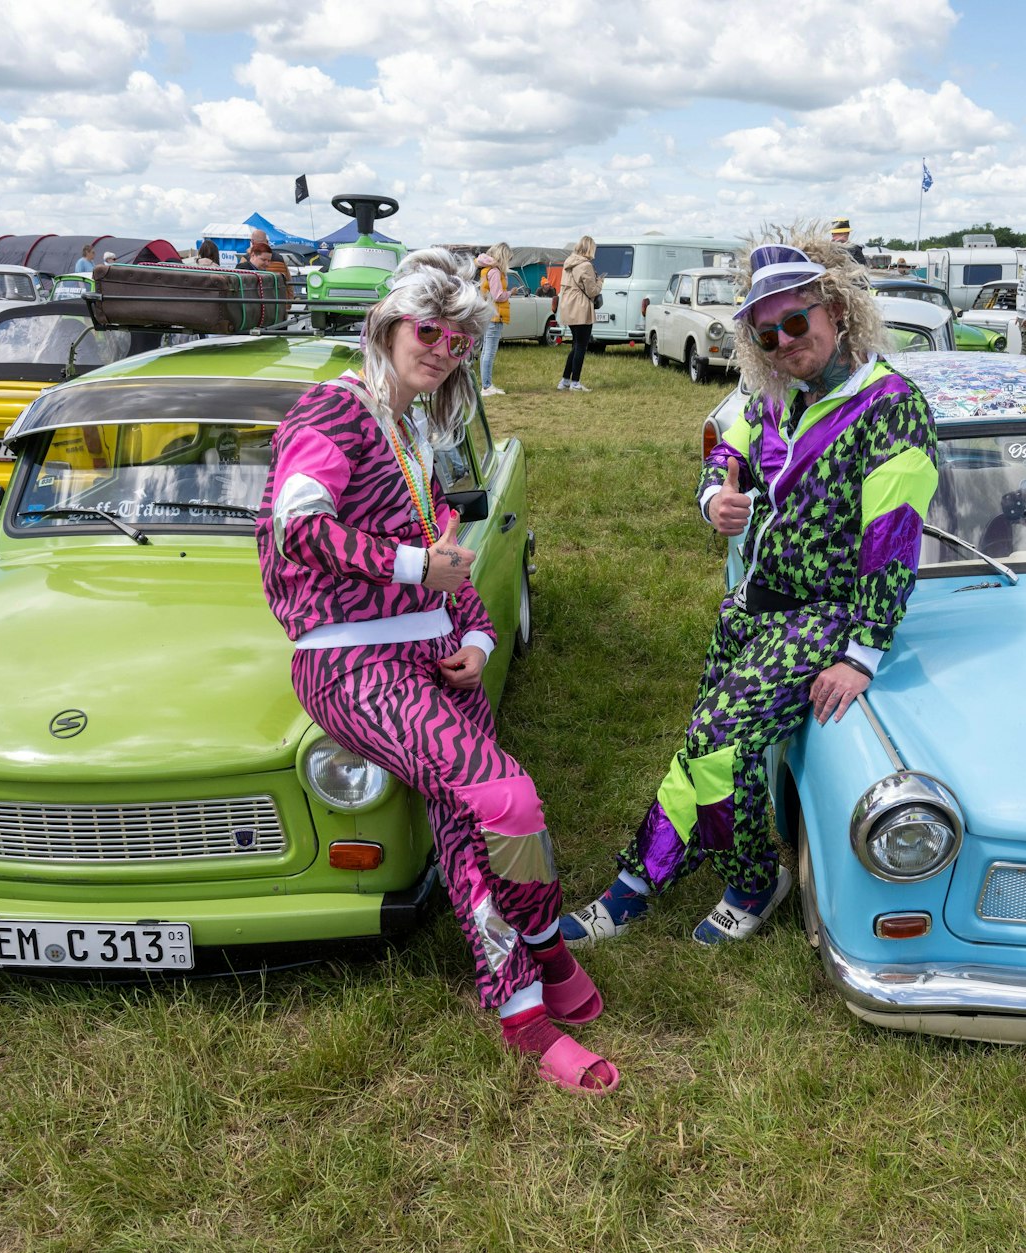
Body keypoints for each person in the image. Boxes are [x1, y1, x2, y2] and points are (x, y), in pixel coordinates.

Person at [256, 248, 619, 1094]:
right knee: (508, 801)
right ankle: (547, 947)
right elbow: (296, 529)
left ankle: (521, 1009)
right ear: (388, 326)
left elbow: (451, 565)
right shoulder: (334, 412)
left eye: (458, 340)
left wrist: (482, 640)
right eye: (429, 331)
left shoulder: (418, 429)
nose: (443, 350)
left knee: (467, 827)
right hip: (349, 662)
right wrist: (417, 568)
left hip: (429, 655)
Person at [561, 227, 939, 947]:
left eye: (797, 322)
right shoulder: (773, 396)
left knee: (717, 745)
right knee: (699, 748)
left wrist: (861, 652)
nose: (786, 342)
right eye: (767, 335)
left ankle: (744, 877)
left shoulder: (890, 405)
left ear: (835, 312)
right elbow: (723, 460)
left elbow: (892, 542)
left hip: (819, 617)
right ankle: (637, 882)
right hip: (751, 610)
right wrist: (715, 502)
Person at [557, 235, 601, 392]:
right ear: (590, 248)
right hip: (581, 309)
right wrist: (600, 282)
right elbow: (592, 291)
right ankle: (575, 382)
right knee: (581, 346)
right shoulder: (586, 265)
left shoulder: (568, 263)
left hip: (569, 308)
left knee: (576, 346)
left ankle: (565, 381)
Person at [476, 242, 513, 396]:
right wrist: (510, 293)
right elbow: (498, 295)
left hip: (487, 313)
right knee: (490, 352)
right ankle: (486, 386)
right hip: (495, 315)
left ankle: (486, 384)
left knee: (486, 350)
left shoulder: (486, 270)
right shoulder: (495, 272)